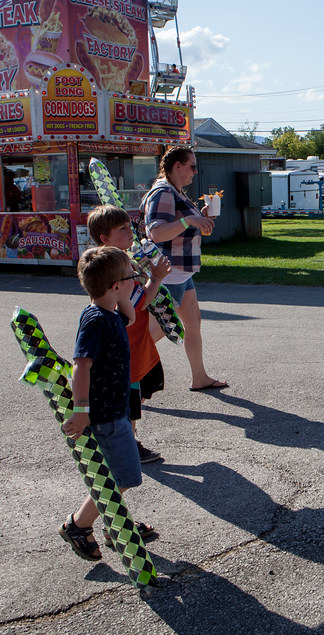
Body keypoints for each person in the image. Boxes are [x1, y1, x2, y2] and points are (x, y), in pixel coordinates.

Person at [58, 246, 159, 560]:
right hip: (104, 414)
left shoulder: (111, 310)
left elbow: (129, 318)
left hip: (116, 409)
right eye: (133, 277)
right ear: (115, 286)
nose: (138, 281)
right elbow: (81, 364)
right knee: (119, 475)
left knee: (118, 473)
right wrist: (82, 410)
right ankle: (80, 524)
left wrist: (127, 287)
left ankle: (115, 523)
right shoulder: (96, 320)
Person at [87, 205, 171, 465]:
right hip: (127, 347)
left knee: (141, 389)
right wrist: (155, 278)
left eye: (128, 226)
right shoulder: (114, 268)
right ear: (105, 238)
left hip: (137, 342)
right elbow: (139, 302)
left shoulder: (121, 261)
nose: (130, 232)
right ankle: (128, 442)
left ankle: (124, 436)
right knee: (129, 397)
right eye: (122, 229)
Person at [141, 146, 228, 392]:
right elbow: (156, 232)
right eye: (191, 166)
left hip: (181, 272)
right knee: (154, 333)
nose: (195, 171)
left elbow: (176, 226)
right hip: (170, 273)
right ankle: (124, 378)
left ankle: (199, 378)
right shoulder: (163, 192)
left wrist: (199, 216)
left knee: (193, 323)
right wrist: (189, 220)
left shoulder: (175, 192)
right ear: (176, 166)